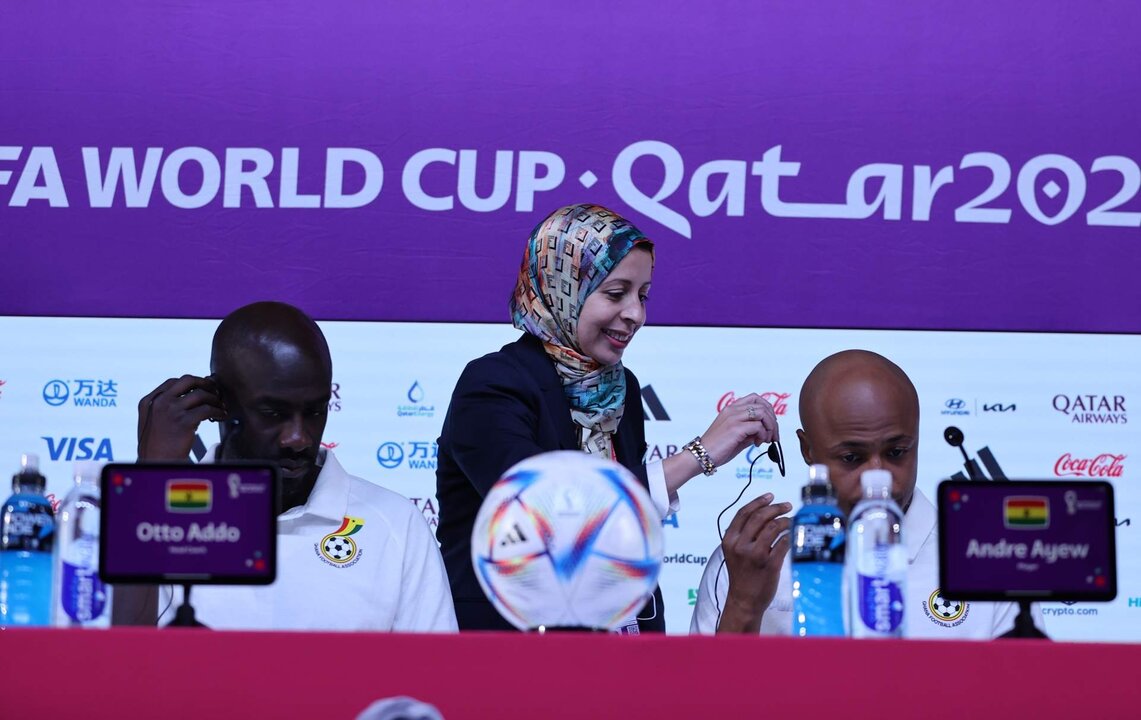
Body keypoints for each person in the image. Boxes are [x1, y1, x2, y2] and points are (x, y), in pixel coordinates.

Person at [436, 204, 780, 632]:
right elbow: (545, 515)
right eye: (616, 293)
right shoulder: (493, 384)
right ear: (562, 286)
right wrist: (697, 455)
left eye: (643, 295)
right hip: (511, 658)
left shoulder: (620, 387)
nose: (636, 314)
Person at [131, 301, 457, 632]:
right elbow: (113, 660)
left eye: (315, 412)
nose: (298, 438)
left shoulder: (397, 526)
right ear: (218, 404)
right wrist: (151, 479)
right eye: (274, 414)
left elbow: (435, 679)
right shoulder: (155, 517)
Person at [690, 349, 1042, 637]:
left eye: (896, 452)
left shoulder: (990, 559)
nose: (879, 478)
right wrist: (744, 604)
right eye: (852, 458)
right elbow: (702, 702)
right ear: (808, 450)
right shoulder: (752, 560)